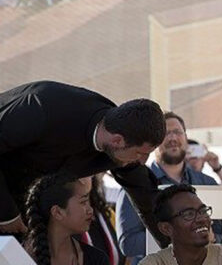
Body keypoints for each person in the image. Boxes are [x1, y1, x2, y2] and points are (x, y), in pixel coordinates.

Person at [0, 81, 166, 245]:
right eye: (140, 153)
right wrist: (7, 212)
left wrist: (176, 251)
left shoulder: (122, 139)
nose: (142, 161)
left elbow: (146, 198)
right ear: (117, 140)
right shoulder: (42, 106)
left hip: (27, 208)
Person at [117, 112, 219, 265]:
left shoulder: (208, 183)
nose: (172, 138)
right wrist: (182, 237)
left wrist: (211, 237)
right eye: (165, 133)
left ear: (185, 137)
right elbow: (127, 243)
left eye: (177, 132)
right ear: (153, 142)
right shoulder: (134, 185)